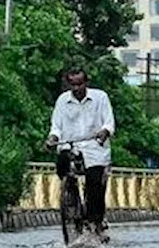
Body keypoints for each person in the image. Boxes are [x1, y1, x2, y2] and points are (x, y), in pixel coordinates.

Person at [46, 68, 115, 238]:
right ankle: (70, 199)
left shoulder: (100, 97)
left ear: (86, 83)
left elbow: (109, 123)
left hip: (94, 147)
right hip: (70, 145)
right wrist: (52, 138)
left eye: (80, 84)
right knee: (62, 165)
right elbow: (56, 126)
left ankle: (95, 221)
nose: (76, 88)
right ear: (68, 85)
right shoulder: (62, 101)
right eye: (73, 85)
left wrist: (104, 132)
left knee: (95, 186)